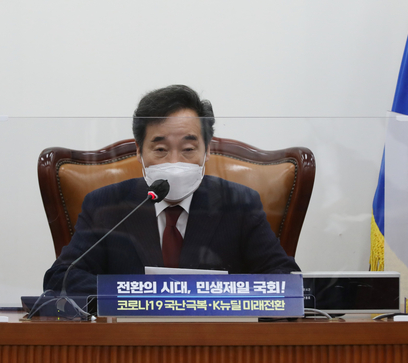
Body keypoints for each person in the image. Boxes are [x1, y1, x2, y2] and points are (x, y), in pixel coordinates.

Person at [43, 85, 300, 295]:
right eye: (160, 150)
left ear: (207, 150)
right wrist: (142, 293)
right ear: (139, 152)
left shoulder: (239, 203)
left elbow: (285, 278)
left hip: (216, 343)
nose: (174, 162)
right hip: (131, 344)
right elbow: (61, 278)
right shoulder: (106, 205)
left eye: (188, 150)